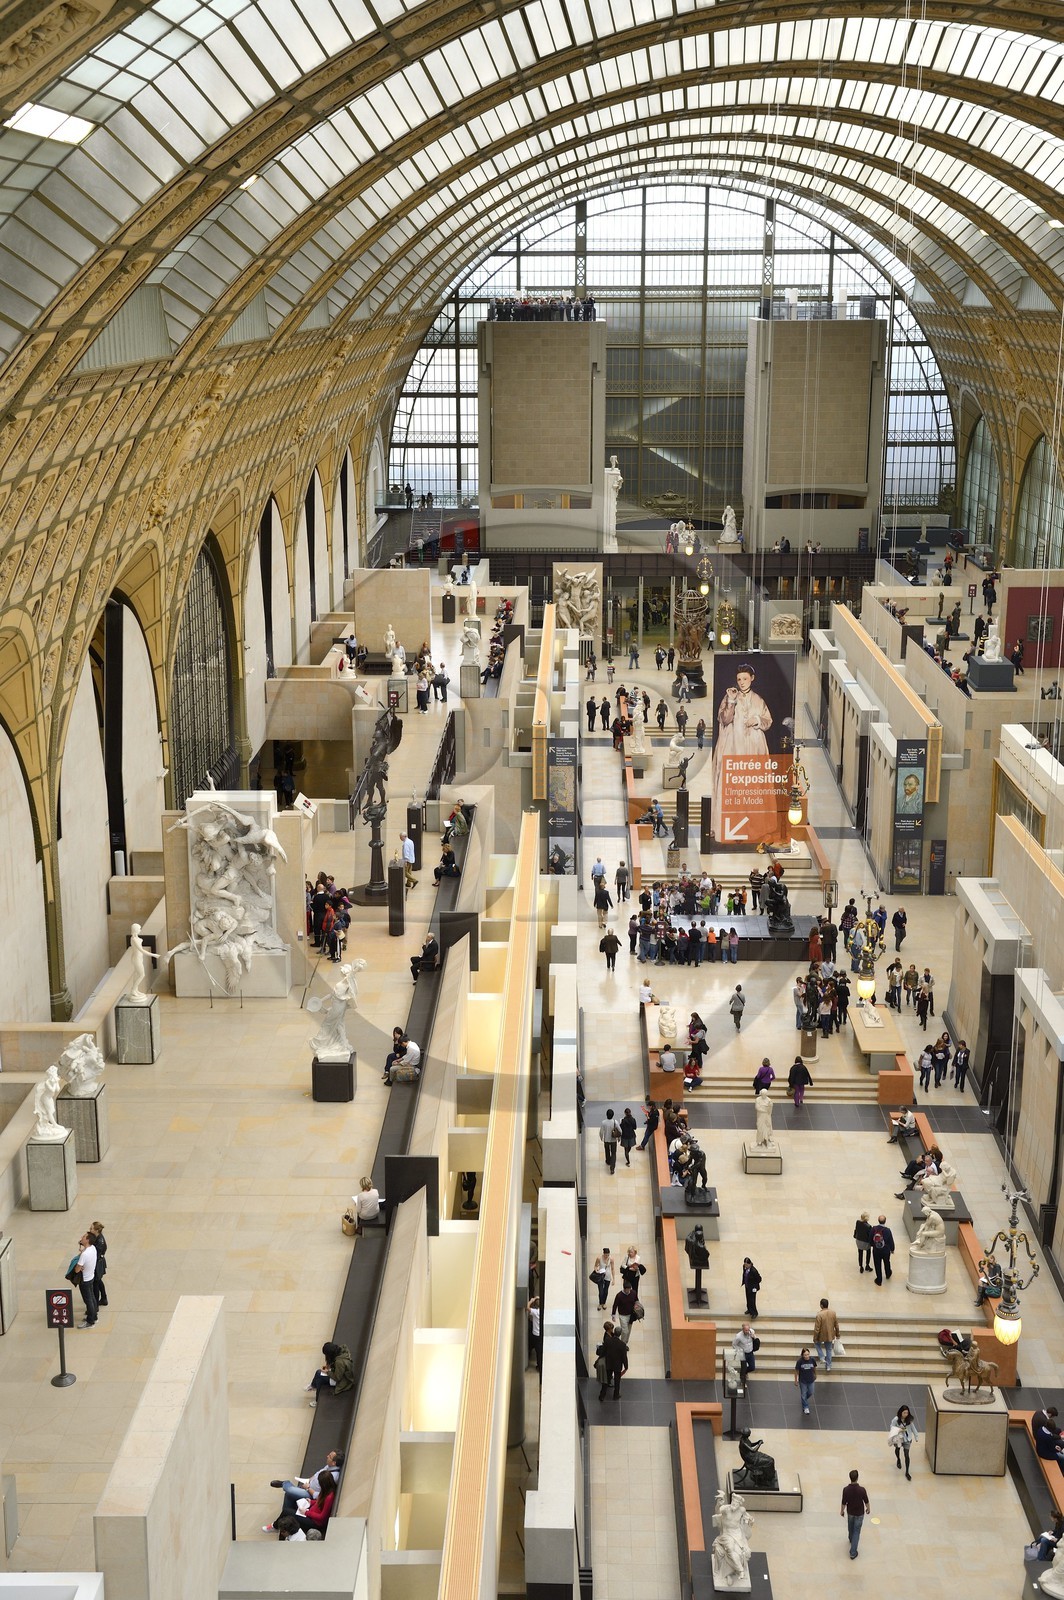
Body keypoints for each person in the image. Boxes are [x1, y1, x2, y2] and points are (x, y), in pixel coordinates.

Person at [266, 1449, 345, 1529]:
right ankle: (284, 1522)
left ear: (334, 1462)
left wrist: (307, 1511)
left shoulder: (332, 1484)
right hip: (309, 1494)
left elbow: (321, 1515)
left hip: (311, 1502)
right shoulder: (328, 1468)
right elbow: (318, 1475)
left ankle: (285, 1484)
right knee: (288, 1495)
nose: (327, 1456)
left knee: (290, 1491)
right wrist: (311, 1500)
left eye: (330, 1457)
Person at [304, 1343, 354, 1407]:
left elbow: (337, 1377)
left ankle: (317, 1401)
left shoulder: (339, 1362)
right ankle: (313, 1386)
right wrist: (328, 1366)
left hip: (343, 1381)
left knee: (320, 1379)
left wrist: (327, 1372)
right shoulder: (340, 1351)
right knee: (318, 1372)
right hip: (340, 1373)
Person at [840, 1469, 870, 1559]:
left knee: (850, 1526)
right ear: (857, 1478)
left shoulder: (846, 1490)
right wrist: (868, 1508)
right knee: (857, 1531)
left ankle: (851, 1539)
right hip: (859, 1513)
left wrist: (842, 1511)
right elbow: (866, 1501)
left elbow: (843, 1502)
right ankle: (853, 1552)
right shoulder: (862, 1490)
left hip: (850, 1512)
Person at [72, 1230, 99, 1328]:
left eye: (83, 1237)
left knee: (88, 1300)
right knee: (92, 1297)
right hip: (91, 1276)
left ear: (87, 1240)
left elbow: (76, 1270)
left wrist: (77, 1266)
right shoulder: (93, 1248)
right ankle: (94, 1316)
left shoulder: (84, 1254)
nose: (81, 1237)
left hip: (85, 1280)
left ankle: (90, 1321)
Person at [597, 1321, 628, 1400]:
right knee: (617, 1381)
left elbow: (603, 1351)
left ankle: (602, 1396)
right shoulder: (622, 1345)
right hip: (617, 1365)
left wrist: (599, 1359)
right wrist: (626, 1367)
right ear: (620, 1334)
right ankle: (616, 1395)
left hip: (609, 1363)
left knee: (606, 1380)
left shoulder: (608, 1341)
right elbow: (624, 1357)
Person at [889, 1404, 918, 1479]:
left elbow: (913, 1428)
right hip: (899, 1438)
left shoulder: (909, 1420)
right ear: (901, 1412)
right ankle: (898, 1459)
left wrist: (916, 1436)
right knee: (897, 1449)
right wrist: (899, 1429)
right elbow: (892, 1427)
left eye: (907, 1413)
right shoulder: (896, 1419)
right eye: (904, 1413)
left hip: (907, 1438)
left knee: (907, 1454)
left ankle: (907, 1472)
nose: (906, 1414)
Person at [813, 1297, 840, 1371]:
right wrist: (837, 1334)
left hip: (822, 1335)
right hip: (830, 1334)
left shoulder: (819, 1315)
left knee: (816, 1344)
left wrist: (815, 1338)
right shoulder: (833, 1313)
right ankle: (828, 1365)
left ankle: (821, 1357)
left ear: (821, 1305)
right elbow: (836, 1325)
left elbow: (817, 1328)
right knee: (829, 1349)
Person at [88, 1220, 108, 1308]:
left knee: (96, 1283)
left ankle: (95, 1303)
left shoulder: (99, 1242)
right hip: (99, 1261)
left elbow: (94, 1254)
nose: (90, 1229)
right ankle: (104, 1298)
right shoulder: (97, 1237)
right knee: (99, 1280)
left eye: (91, 1228)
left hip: (98, 1263)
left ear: (96, 1230)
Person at [871, 1215, 895, 1284]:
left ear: (878, 1220)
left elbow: (870, 1239)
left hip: (876, 1251)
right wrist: (892, 1249)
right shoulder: (887, 1230)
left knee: (877, 1264)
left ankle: (879, 1280)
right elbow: (891, 1240)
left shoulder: (874, 1229)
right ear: (885, 1221)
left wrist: (874, 1245)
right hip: (885, 1251)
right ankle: (888, 1274)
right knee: (887, 1262)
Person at [795, 1347, 818, 1414]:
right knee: (803, 1394)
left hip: (811, 1379)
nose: (807, 1356)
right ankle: (806, 1407)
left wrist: (815, 1374)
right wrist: (796, 1380)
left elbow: (814, 1368)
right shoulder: (800, 1361)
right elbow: (796, 1371)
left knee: (811, 1392)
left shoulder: (812, 1360)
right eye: (805, 1355)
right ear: (802, 1355)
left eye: (808, 1354)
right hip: (803, 1381)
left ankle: (804, 1399)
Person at [599, 1109, 621, 1175]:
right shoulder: (615, 1122)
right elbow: (620, 1131)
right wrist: (619, 1138)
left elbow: (601, 1132)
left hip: (606, 1140)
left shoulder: (603, 1122)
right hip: (613, 1140)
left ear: (606, 1115)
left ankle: (608, 1161)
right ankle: (612, 1168)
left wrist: (601, 1138)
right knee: (613, 1153)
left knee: (607, 1150)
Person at [527, 1296, 542, 1372]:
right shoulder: (543, 1312)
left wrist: (531, 1300)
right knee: (540, 1351)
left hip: (535, 1335)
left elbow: (527, 1307)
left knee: (536, 1351)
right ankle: (540, 1366)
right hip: (541, 1335)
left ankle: (539, 1366)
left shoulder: (536, 1312)